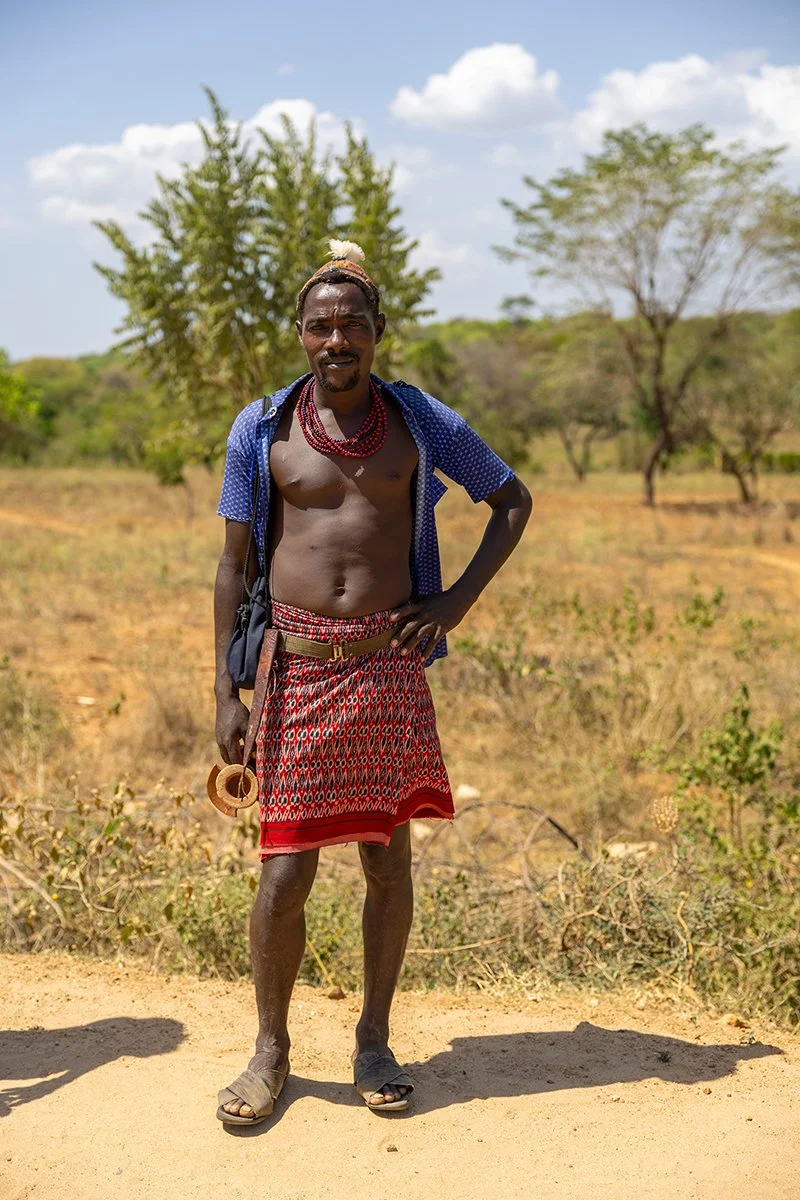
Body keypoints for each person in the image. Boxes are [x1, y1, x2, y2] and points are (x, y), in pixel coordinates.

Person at [213, 240, 532, 1126]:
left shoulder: (421, 421)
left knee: (387, 863)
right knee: (285, 872)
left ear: (379, 332)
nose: (336, 339)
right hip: (298, 673)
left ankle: (374, 1040)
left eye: (352, 323)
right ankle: (270, 1052)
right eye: (321, 325)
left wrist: (456, 602)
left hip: (389, 669)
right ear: (302, 335)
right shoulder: (261, 428)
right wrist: (224, 691)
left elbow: (512, 500)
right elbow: (233, 564)